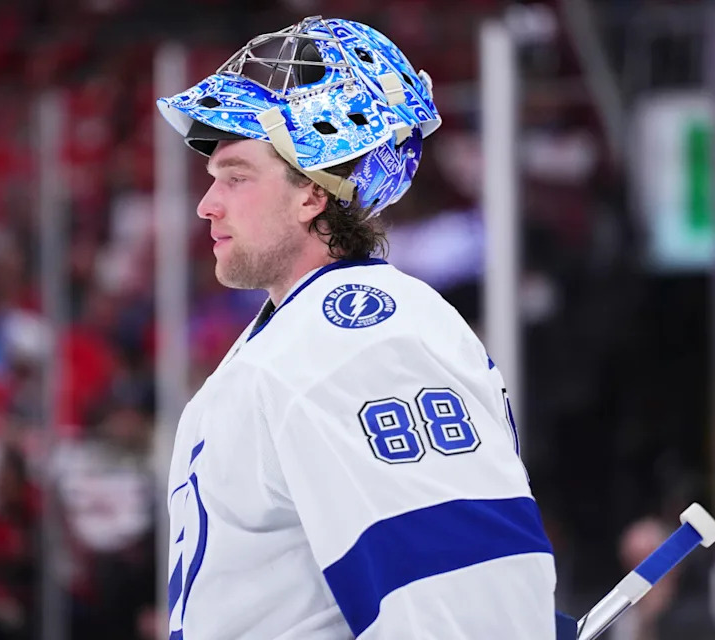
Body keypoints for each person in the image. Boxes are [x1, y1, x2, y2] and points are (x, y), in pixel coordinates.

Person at [156, 17, 556, 639]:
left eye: (235, 177)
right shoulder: (299, 334)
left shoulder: (353, 340)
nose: (209, 204)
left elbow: (459, 600)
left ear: (312, 193)